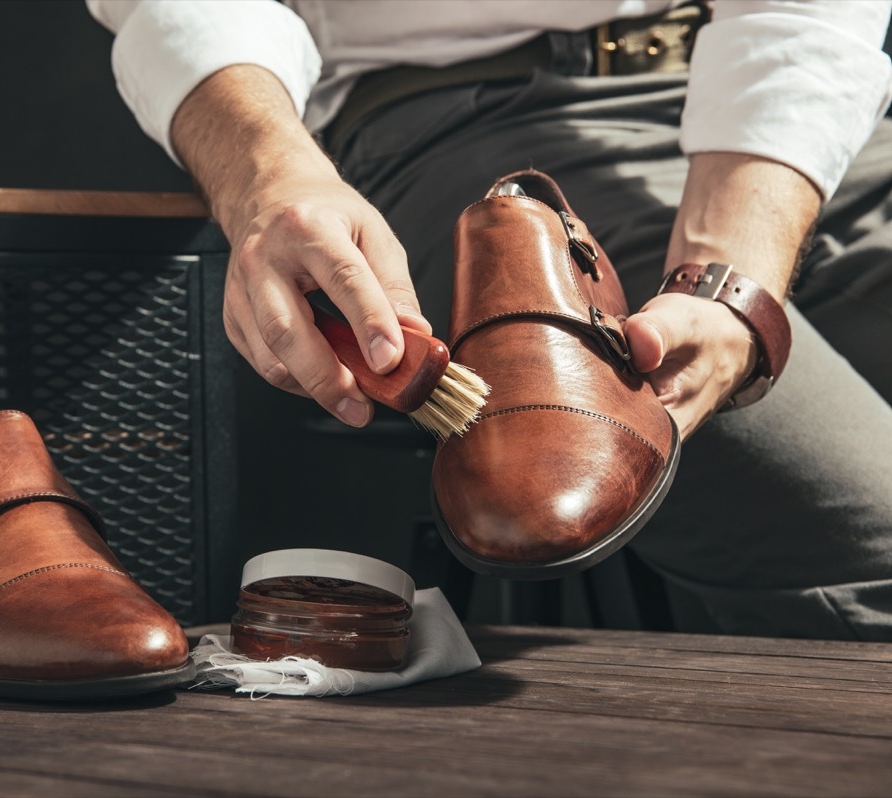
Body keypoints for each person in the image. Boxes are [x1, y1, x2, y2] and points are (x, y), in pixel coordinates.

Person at [87, 0, 892, 640]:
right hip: (454, 120)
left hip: (795, 99)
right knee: (873, 548)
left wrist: (728, 272)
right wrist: (265, 177)